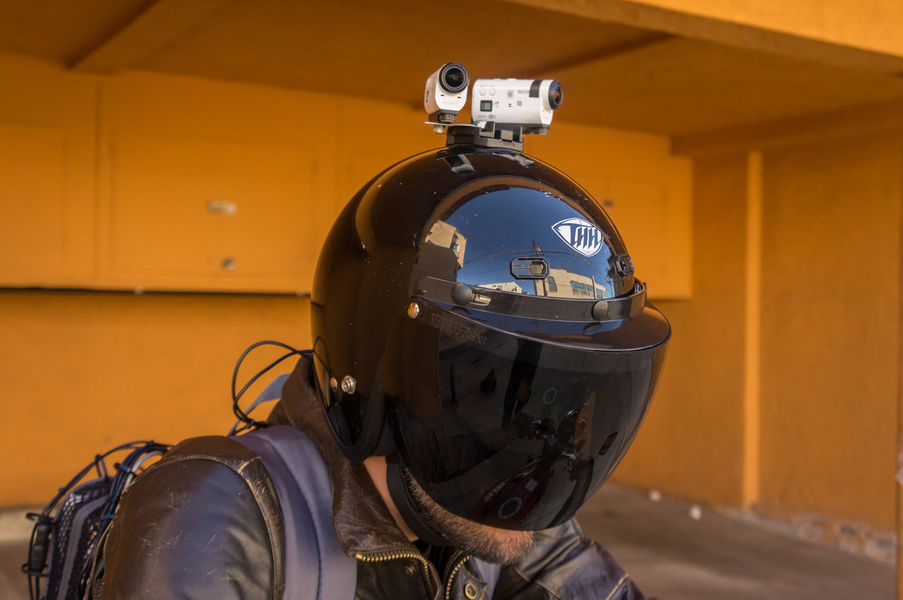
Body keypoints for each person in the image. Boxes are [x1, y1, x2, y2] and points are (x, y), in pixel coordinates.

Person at [97, 135, 670, 599]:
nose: (540, 460)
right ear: (369, 388)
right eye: (493, 398)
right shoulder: (213, 518)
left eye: (567, 404)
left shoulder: (517, 510)